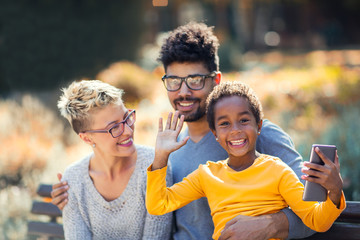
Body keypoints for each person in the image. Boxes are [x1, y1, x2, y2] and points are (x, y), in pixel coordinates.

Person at [51, 22, 333, 239]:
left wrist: (271, 224)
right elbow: (149, 205)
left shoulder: (258, 136)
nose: (184, 92)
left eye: (196, 80)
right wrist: (72, 194)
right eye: (173, 81)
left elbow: (313, 207)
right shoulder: (170, 147)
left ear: (216, 80)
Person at [146, 81, 346, 240]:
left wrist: (335, 191)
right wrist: (161, 158)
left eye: (244, 120)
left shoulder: (277, 171)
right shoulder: (207, 175)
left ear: (259, 126)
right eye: (224, 124)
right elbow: (158, 205)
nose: (235, 130)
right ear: (215, 133)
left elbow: (317, 221)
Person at [56, 80, 172, 239]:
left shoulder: (154, 165)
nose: (128, 130)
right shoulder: (74, 179)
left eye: (127, 117)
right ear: (87, 139)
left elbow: (157, 236)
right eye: (114, 127)